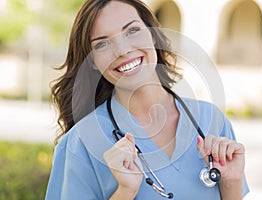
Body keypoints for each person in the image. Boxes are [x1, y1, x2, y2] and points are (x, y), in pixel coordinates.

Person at [45, 0, 249, 199]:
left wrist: (231, 184)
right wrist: (125, 192)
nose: (123, 50)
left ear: (152, 35)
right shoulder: (80, 144)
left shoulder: (211, 120)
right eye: (102, 44)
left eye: (132, 31)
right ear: (92, 63)